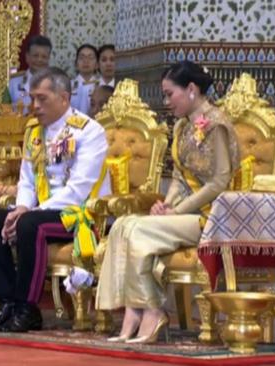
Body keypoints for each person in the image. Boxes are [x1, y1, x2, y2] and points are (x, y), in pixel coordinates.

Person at [95, 61, 240, 344]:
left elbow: (218, 182)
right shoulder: (183, 126)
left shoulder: (217, 125)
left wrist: (177, 211)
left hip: (212, 217)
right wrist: (166, 205)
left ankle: (152, 309)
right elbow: (179, 177)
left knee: (139, 231)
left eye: (169, 94)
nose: (166, 101)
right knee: (123, 225)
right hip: (184, 214)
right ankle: (133, 309)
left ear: (191, 89)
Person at [0, 67, 110, 333]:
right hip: (40, 211)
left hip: (79, 214)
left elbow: (79, 188)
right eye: (32, 99)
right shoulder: (34, 132)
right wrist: (21, 208)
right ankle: (8, 303)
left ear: (64, 98)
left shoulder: (89, 131)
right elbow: (27, 180)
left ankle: (27, 308)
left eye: (42, 99)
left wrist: (30, 213)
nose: (34, 106)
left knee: (30, 225)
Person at [8, 35, 52, 114]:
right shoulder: (13, 83)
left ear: (48, 58)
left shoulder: (56, 83)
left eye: (44, 57)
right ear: (27, 57)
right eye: (35, 56)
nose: (39, 60)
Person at [70, 44, 99, 115]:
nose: (86, 61)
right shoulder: (68, 86)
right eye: (81, 57)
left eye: (90, 57)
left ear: (97, 65)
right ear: (76, 64)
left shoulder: (101, 86)